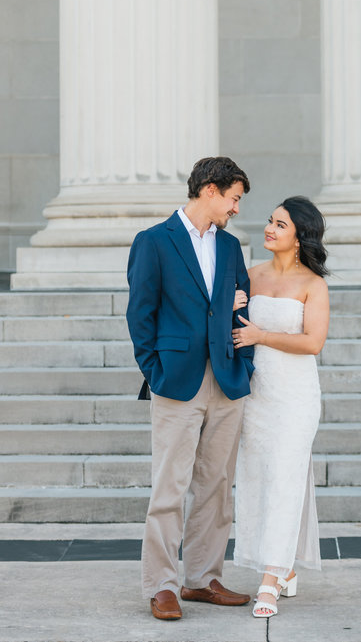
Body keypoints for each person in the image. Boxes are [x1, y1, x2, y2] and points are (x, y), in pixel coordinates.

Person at [126, 156, 255, 621]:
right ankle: (162, 585)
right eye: (234, 198)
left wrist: (243, 363)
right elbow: (140, 313)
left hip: (226, 378)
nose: (237, 209)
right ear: (210, 191)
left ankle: (202, 578)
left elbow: (241, 306)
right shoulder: (154, 242)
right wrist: (154, 369)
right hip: (176, 380)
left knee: (216, 485)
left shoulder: (231, 246)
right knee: (169, 486)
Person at [231, 195, 330, 618]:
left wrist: (262, 336)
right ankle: (283, 565)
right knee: (257, 478)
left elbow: (313, 343)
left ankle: (270, 579)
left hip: (294, 396)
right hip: (256, 394)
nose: (269, 229)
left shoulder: (313, 285)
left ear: (299, 236)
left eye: (281, 225)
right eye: (271, 221)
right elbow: (230, 327)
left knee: (287, 478)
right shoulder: (249, 276)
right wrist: (230, 311)